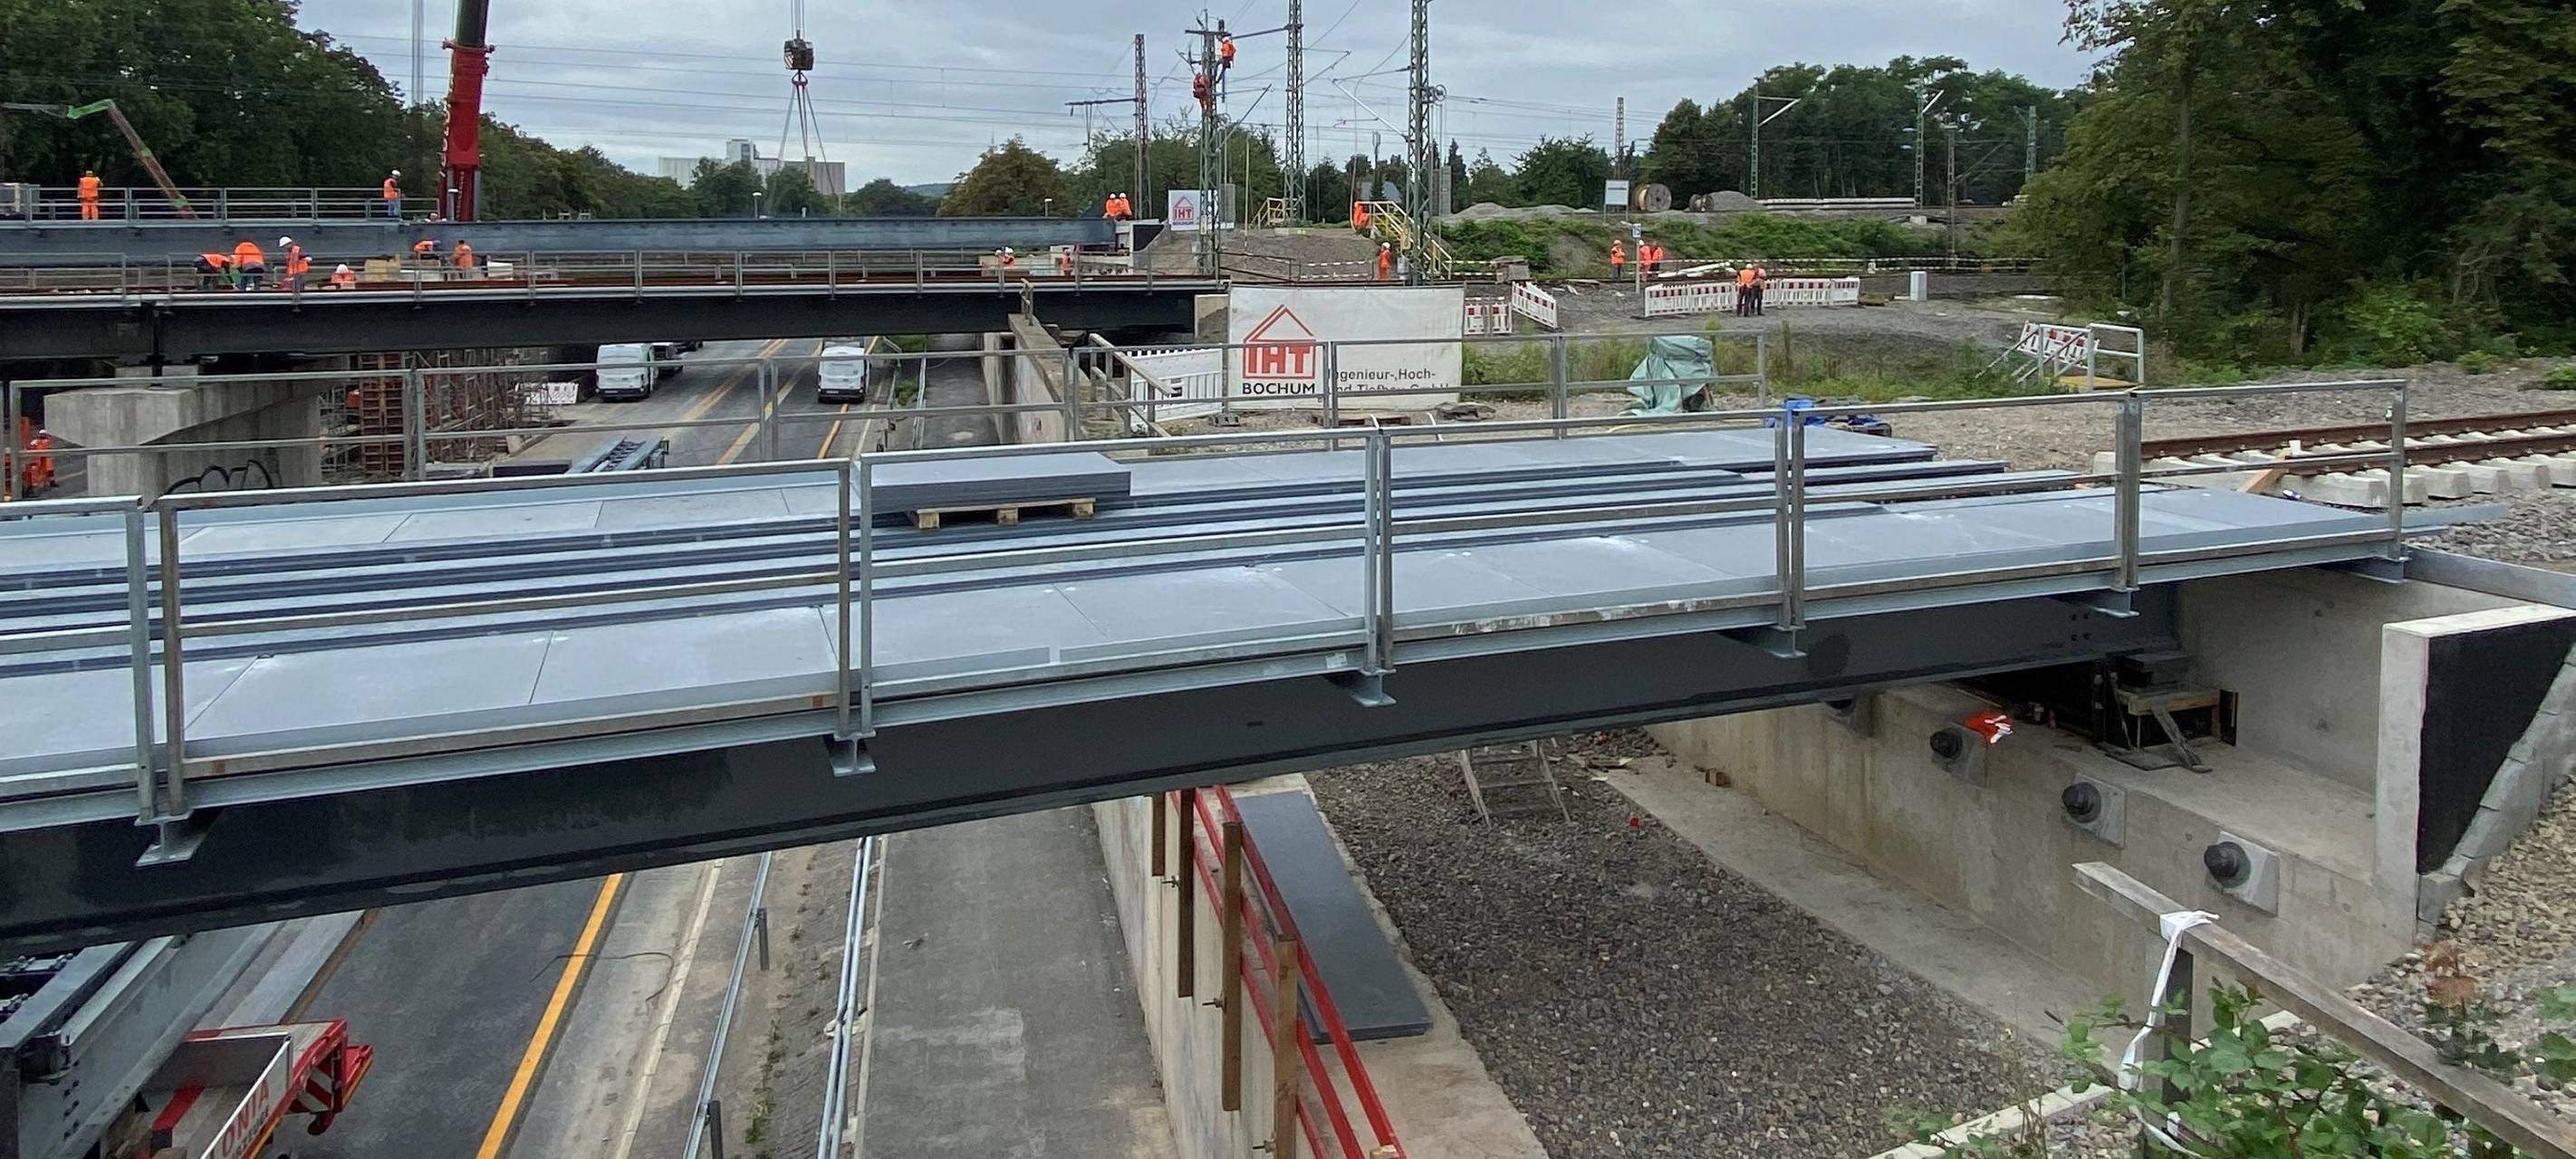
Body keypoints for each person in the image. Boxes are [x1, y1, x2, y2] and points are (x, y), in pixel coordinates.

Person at [22, 429, 54, 495]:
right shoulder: (37, 441)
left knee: (47, 472)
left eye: (44, 435)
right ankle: (32, 487)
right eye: (42, 435)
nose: (43, 436)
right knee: (34, 474)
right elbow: (30, 447)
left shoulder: (44, 441)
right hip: (37, 459)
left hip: (42, 458)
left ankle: (49, 483)